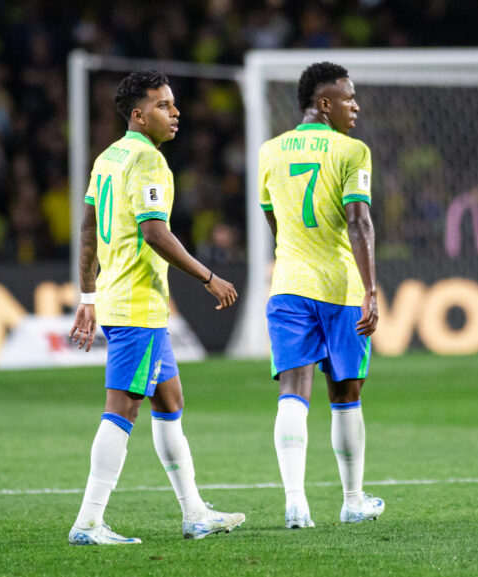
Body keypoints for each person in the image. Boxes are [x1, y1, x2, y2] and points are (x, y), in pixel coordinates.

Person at [67, 70, 245, 545]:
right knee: (122, 407)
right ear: (139, 115)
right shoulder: (148, 162)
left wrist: (88, 296)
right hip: (137, 304)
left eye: (174, 104)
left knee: (170, 402)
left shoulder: (109, 156)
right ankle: (88, 522)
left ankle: (195, 514)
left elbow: (88, 228)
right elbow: (154, 232)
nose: (176, 112)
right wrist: (208, 276)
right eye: (164, 105)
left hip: (124, 299)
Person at [257, 61, 384, 529]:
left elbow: (274, 220)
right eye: (348, 98)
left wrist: (294, 251)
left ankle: (295, 503)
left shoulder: (269, 151)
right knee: (346, 393)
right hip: (341, 288)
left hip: (288, 286)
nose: (356, 106)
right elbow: (359, 221)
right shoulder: (352, 151)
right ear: (324, 103)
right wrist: (371, 290)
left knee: (292, 393)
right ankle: (352, 501)